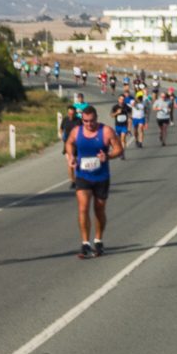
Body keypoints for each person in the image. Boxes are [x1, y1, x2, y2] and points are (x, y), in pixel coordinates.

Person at [65, 106, 123, 258]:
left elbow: (119, 149)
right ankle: (85, 243)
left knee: (99, 209)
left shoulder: (106, 131)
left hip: (101, 176)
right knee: (83, 207)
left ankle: (98, 240)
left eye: (92, 121)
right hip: (82, 175)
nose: (89, 124)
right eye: (86, 121)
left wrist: (108, 156)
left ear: (96, 118)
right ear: (82, 119)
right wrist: (71, 156)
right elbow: (69, 143)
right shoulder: (77, 131)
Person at [59, 106, 83, 189]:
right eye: (69, 113)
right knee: (70, 163)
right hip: (67, 145)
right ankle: (72, 182)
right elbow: (61, 128)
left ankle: (81, 180)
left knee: (79, 164)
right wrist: (61, 134)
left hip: (78, 145)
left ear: (75, 113)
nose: (71, 115)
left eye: (72, 114)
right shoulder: (65, 120)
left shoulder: (79, 121)